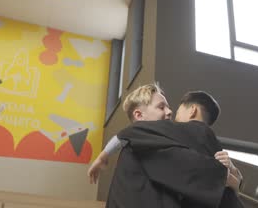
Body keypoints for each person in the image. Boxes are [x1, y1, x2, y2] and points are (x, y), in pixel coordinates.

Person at [88, 84, 243, 207]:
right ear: (139, 115)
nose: (169, 112)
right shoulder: (140, 144)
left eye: (169, 107)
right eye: (161, 107)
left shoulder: (146, 145)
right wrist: (229, 180)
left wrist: (104, 155)